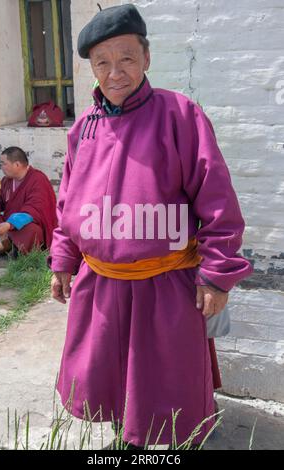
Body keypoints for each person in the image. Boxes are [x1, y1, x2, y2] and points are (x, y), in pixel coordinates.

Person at [48, 4, 253, 450]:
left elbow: (218, 203)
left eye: (126, 57)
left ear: (146, 58)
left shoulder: (180, 115)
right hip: (101, 282)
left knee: (169, 381)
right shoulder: (83, 127)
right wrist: (63, 260)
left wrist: (216, 276)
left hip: (166, 283)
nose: (114, 71)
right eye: (102, 61)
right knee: (111, 375)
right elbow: (69, 202)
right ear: (92, 69)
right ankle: (128, 443)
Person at [0, 146, 57, 256]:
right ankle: (3, 245)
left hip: (25, 224)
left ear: (17, 165)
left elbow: (34, 210)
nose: (1, 167)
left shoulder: (38, 180)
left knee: (32, 231)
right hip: (9, 223)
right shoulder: (7, 180)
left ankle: (7, 247)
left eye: (4, 163)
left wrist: (9, 224)